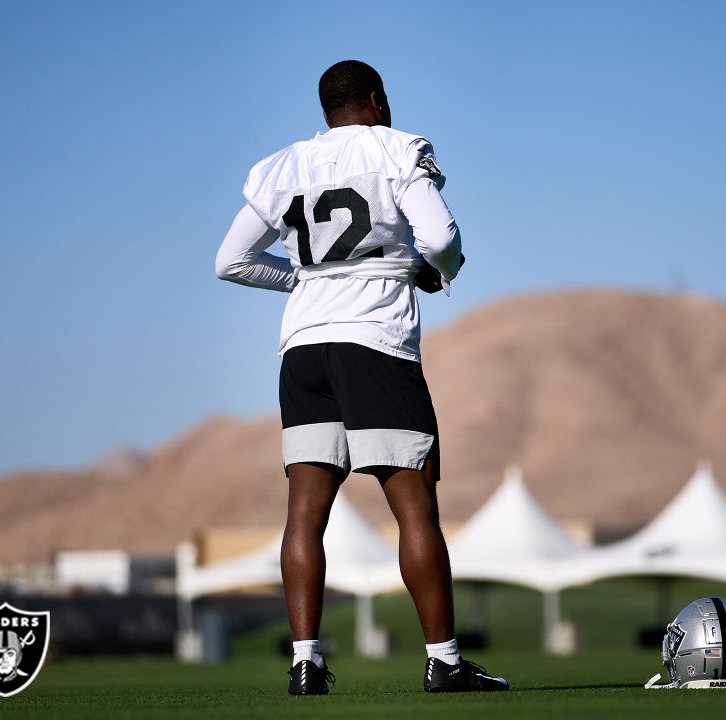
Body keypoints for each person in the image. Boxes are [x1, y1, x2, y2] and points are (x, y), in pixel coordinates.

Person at [215, 59, 507, 696]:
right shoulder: (398, 149)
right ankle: (445, 661)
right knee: (413, 507)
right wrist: (433, 270)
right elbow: (442, 235)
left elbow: (229, 260)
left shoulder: (283, 164)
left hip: (303, 348)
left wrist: (305, 279)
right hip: (373, 340)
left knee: (304, 512)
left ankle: (305, 662)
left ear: (326, 109)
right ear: (376, 98)